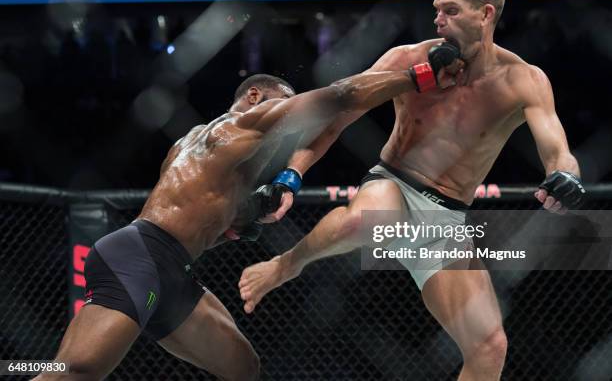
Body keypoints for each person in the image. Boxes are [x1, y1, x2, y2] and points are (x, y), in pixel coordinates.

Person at [239, 0, 586, 381]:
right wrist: (291, 175)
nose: (438, 20)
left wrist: (565, 179)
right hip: (394, 184)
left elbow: (558, 152)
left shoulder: (524, 81)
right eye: (437, 10)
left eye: (451, 11)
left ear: (486, 14)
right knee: (366, 219)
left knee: (489, 348)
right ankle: (286, 264)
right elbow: (337, 118)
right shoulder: (406, 60)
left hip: (447, 219)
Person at [35, 52, 458, 380]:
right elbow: (339, 96)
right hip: (140, 256)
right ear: (255, 98)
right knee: (77, 371)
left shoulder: (208, 154)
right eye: (284, 107)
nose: (290, 120)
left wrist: (251, 212)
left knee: (243, 369)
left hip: (174, 270)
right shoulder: (240, 126)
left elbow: (205, 219)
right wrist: (418, 76)